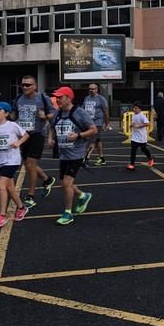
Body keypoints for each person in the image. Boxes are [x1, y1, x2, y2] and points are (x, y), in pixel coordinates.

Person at [47, 86, 96, 226]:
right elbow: (51, 127)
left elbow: (93, 129)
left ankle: (68, 213)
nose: (57, 100)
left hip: (76, 153)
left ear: (68, 98)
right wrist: (50, 139)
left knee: (67, 183)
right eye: (56, 97)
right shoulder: (57, 113)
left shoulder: (80, 113)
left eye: (60, 97)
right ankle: (82, 195)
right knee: (64, 183)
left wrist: (79, 135)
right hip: (63, 154)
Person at [11, 75, 56, 209]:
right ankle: (47, 179)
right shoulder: (19, 98)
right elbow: (14, 113)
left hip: (37, 134)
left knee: (30, 163)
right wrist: (9, 118)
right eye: (23, 85)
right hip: (23, 135)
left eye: (28, 85)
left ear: (35, 86)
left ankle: (30, 196)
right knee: (28, 163)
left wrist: (45, 116)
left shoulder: (43, 98)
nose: (24, 87)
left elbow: (54, 113)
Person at [0, 102, 30, 228]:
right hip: (1, 161)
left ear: (6, 113)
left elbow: (26, 135)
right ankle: (22, 208)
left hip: (12, 160)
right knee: (10, 188)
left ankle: (2, 215)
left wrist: (18, 142)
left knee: (0, 186)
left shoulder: (12, 125)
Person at [82, 84, 109, 166]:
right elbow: (83, 110)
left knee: (92, 140)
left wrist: (107, 123)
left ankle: (86, 159)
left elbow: (106, 111)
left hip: (98, 122)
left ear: (97, 90)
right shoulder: (86, 98)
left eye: (93, 89)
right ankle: (102, 158)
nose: (91, 90)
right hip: (88, 123)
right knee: (97, 140)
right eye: (90, 89)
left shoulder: (101, 99)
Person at [126, 101, 154, 171]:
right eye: (133, 108)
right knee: (133, 150)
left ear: (140, 109)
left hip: (142, 137)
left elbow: (147, 123)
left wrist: (139, 126)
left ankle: (150, 158)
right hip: (135, 136)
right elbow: (134, 123)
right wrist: (131, 125)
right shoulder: (133, 115)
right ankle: (132, 164)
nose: (134, 109)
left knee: (143, 149)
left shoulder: (142, 116)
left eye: (136, 108)